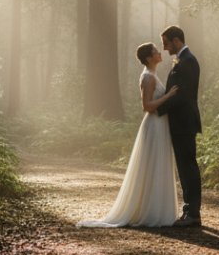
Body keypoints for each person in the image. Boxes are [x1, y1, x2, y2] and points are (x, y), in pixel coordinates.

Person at [77, 42, 180, 227]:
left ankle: (156, 209)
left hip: (160, 125)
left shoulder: (153, 75)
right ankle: (150, 212)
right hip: (154, 125)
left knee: (157, 165)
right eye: (156, 51)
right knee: (152, 165)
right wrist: (168, 96)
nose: (159, 52)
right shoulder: (148, 78)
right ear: (149, 57)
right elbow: (147, 106)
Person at [156, 25, 202, 227]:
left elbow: (182, 95)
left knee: (188, 167)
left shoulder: (187, 62)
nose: (165, 48)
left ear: (176, 40)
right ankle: (189, 210)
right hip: (180, 122)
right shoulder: (183, 60)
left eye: (166, 43)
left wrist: (156, 110)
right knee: (184, 167)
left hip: (184, 122)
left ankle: (193, 213)